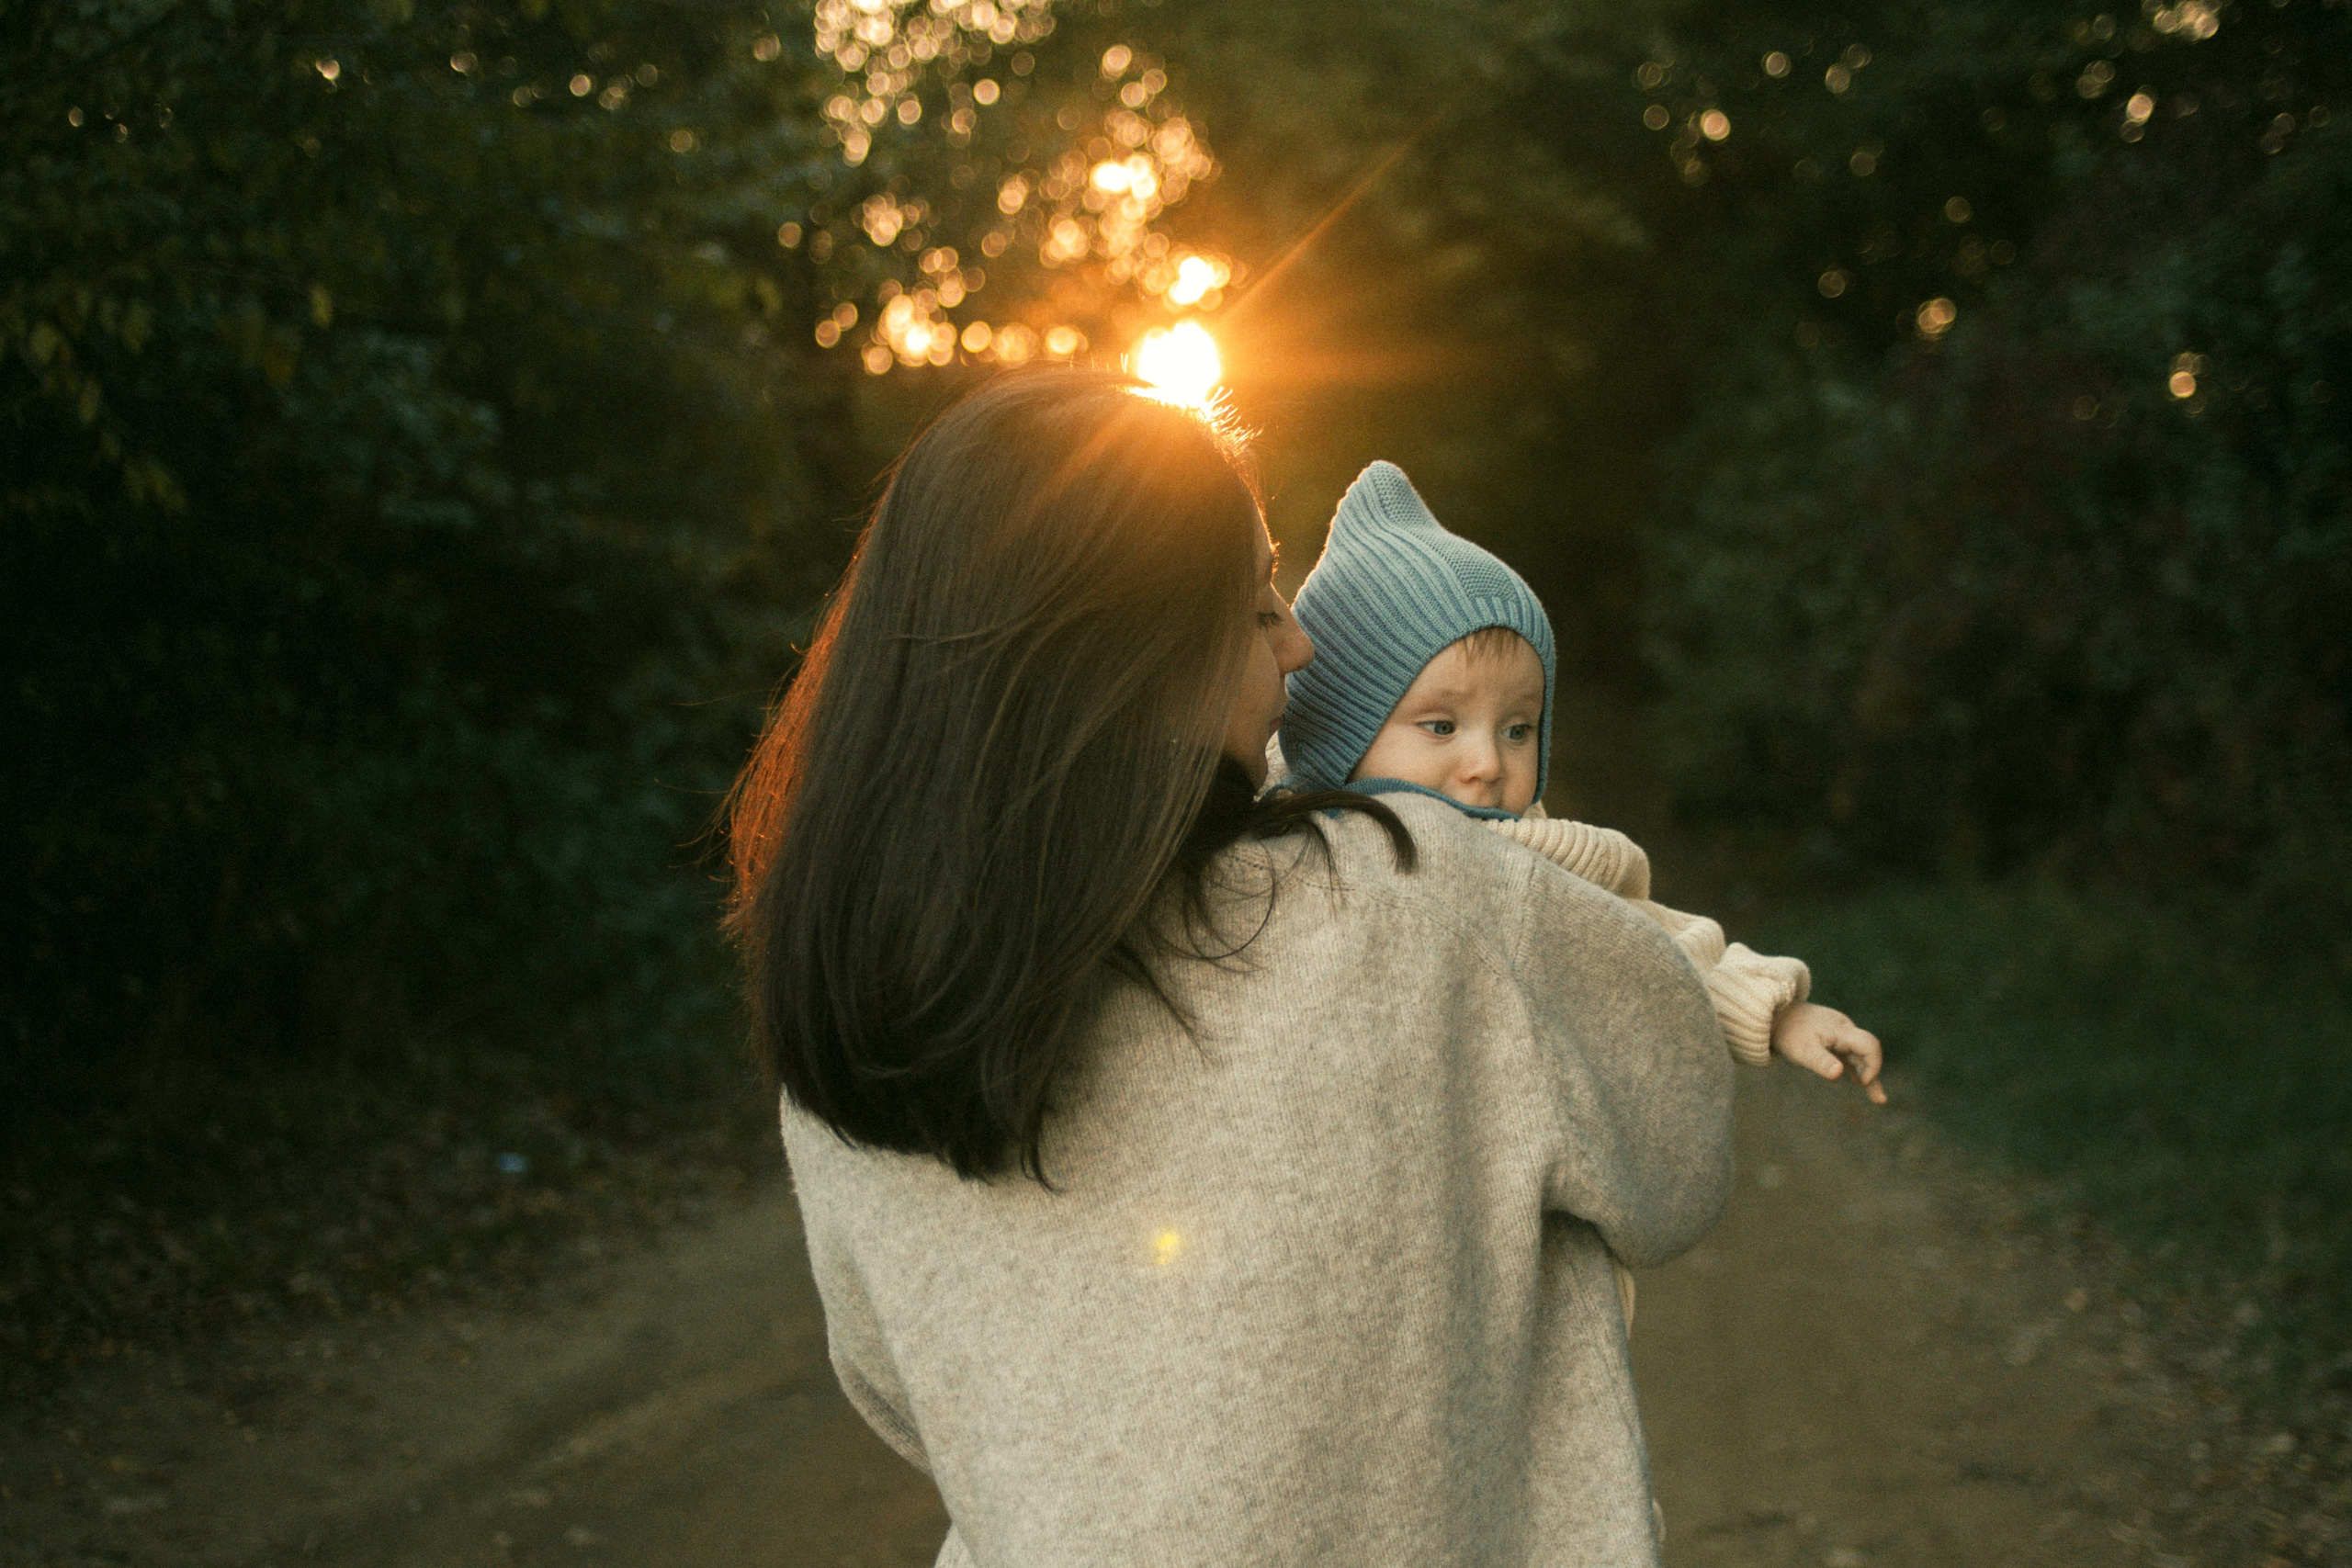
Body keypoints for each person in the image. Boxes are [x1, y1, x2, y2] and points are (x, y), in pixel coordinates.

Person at [728, 369, 1735, 1567]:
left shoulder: (856, 1008)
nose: (1299, 644)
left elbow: (901, 1395)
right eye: (1259, 609)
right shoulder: (1420, 900)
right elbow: (1679, 1154)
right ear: (1129, 653)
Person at [1274, 460, 1886, 1330]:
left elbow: (1651, 941)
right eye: (1441, 726)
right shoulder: (1284, 851)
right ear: (1339, 730)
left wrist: (1778, 1011)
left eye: (1518, 728)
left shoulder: (1539, 859)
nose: (1487, 762)